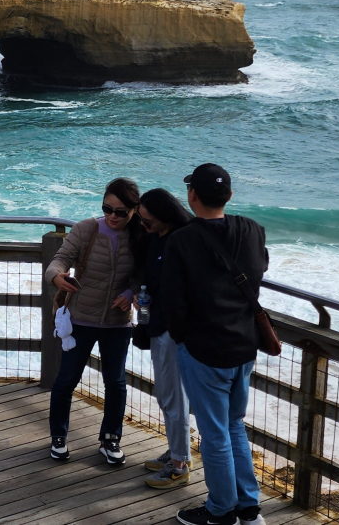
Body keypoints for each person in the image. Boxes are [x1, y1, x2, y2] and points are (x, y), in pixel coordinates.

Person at [164, 164, 269, 525]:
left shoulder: (182, 240)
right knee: (234, 424)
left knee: (214, 435)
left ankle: (221, 510)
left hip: (205, 350)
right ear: (229, 195)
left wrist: (182, 338)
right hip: (244, 346)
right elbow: (259, 271)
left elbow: (173, 302)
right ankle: (249, 508)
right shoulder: (253, 230)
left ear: (192, 195)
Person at [45, 177, 143, 466]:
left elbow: (147, 272)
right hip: (81, 319)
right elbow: (60, 259)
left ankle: (111, 438)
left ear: (135, 210)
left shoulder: (141, 236)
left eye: (121, 212)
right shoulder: (86, 229)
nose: (113, 216)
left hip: (118, 323)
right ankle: (58, 437)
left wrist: (131, 292)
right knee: (66, 381)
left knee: (116, 383)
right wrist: (56, 276)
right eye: (107, 209)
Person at [136, 188, 195, 489]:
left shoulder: (181, 241)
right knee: (168, 395)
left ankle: (179, 464)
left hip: (173, 329)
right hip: (157, 323)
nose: (142, 226)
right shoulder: (156, 237)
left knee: (172, 397)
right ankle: (177, 451)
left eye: (147, 221)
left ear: (165, 217)